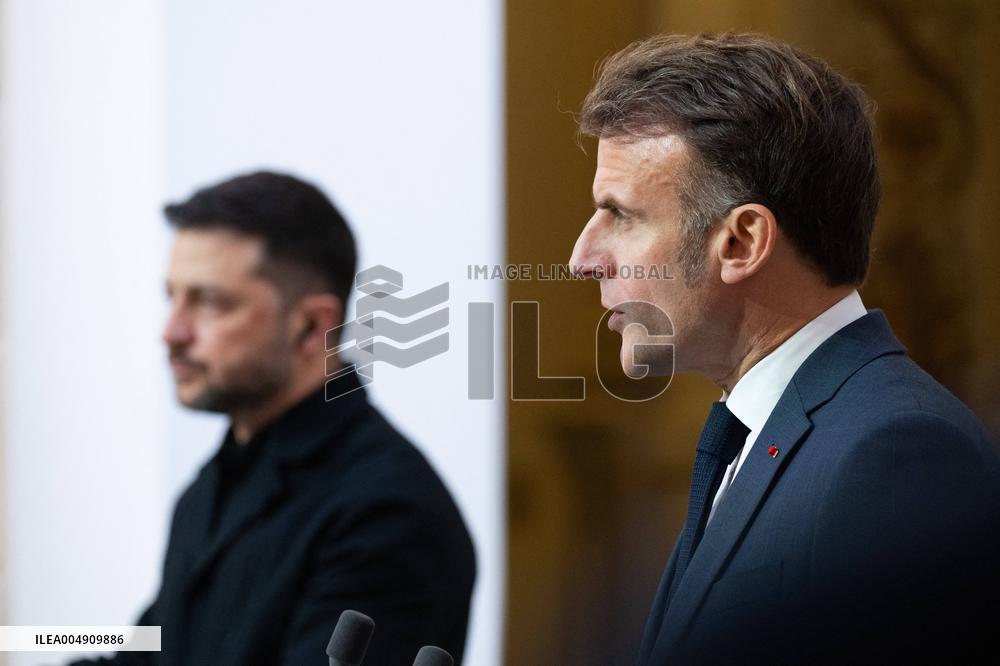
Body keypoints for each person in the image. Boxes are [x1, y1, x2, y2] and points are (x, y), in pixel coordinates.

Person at [569, 33, 1000, 664]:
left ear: (742, 243)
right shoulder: (765, 433)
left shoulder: (898, 455)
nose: (582, 260)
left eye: (622, 215)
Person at [71, 171, 475, 665]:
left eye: (210, 302)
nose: (172, 331)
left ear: (310, 325)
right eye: (171, 296)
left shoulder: (387, 512)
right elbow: (148, 654)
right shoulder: (212, 487)